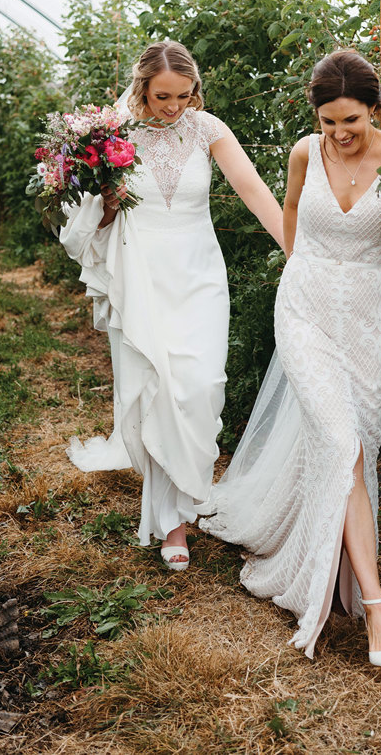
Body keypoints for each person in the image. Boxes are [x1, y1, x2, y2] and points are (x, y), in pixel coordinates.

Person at [200, 48, 381, 663]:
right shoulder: (306, 151)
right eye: (329, 122)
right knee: (340, 442)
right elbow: (295, 213)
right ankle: (377, 607)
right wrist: (303, 270)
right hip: (305, 310)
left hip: (371, 317)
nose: (339, 134)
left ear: (375, 109)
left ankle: (329, 559)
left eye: (351, 121)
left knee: (360, 443)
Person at [59, 40, 284, 571]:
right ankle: (171, 524)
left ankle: (189, 494)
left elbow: (253, 190)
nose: (174, 106)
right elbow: (85, 222)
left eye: (184, 95)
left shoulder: (209, 129)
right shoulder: (111, 137)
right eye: (163, 96)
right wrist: (107, 207)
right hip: (142, 275)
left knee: (201, 386)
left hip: (199, 273)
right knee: (158, 388)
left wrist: (292, 247)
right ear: (142, 88)